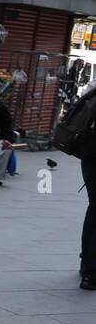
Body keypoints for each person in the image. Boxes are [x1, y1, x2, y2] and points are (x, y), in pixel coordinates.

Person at [77, 77, 96, 290]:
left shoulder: (93, 85)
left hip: (89, 154)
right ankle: (91, 271)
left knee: (94, 207)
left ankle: (86, 263)